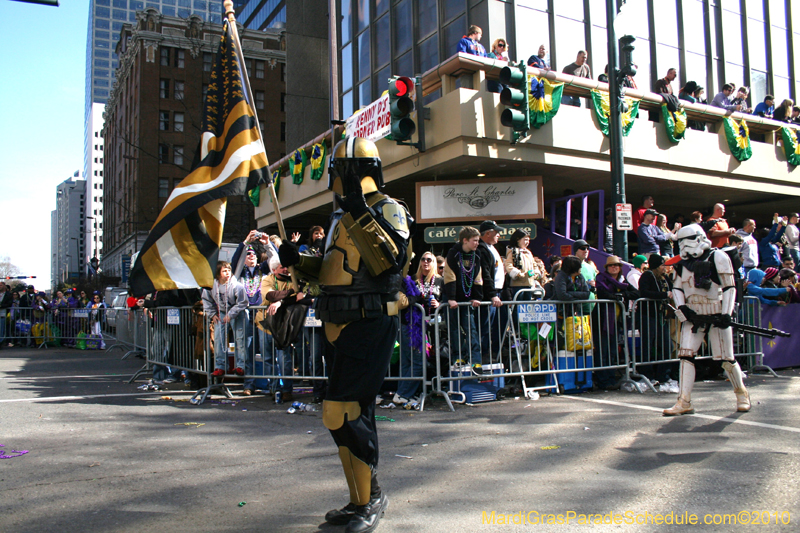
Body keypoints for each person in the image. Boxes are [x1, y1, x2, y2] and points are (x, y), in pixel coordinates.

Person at [278, 136, 412, 532]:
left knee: (341, 412)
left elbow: (391, 264)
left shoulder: (389, 209)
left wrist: (360, 212)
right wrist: (297, 260)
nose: (337, 179)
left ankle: (369, 498)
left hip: (369, 323)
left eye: (342, 171)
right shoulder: (340, 218)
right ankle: (361, 499)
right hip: (338, 324)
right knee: (351, 415)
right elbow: (331, 272)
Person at [664, 224, 751, 416]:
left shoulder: (718, 257)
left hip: (716, 312)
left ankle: (741, 394)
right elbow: (677, 288)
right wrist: (682, 307)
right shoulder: (681, 263)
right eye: (681, 242)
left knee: (726, 359)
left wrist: (726, 313)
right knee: (686, 356)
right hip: (693, 316)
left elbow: (730, 287)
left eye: (686, 241)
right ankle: (684, 401)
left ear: (698, 238)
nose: (684, 246)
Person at [395, 252, 443, 405]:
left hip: (434, 326)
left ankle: (404, 393)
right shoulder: (412, 280)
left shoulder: (440, 280)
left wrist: (440, 304)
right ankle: (403, 393)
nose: (426, 262)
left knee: (416, 361)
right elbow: (402, 300)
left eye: (429, 259)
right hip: (413, 325)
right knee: (413, 361)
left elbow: (447, 298)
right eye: (423, 259)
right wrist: (419, 299)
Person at [257, 256, 305, 403]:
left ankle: (286, 390)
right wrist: (290, 294)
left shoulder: (295, 280)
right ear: (274, 269)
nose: (286, 270)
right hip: (265, 324)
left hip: (285, 326)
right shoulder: (267, 280)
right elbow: (270, 295)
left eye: (287, 267)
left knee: (285, 359)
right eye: (282, 267)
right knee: (268, 358)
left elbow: (302, 295)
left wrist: (280, 302)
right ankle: (274, 388)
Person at [444, 226, 484, 372]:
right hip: (453, 298)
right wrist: (451, 298)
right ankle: (458, 357)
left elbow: (478, 278)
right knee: (455, 329)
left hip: (467, 299)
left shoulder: (477, 255)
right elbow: (449, 276)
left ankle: (476, 361)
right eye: (474, 241)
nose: (477, 243)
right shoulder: (453, 253)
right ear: (465, 240)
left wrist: (476, 297)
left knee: (471, 329)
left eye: (478, 241)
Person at [594, 255, 638, 389]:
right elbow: (602, 293)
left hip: (616, 321)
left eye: (617, 265)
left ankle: (612, 379)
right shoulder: (601, 278)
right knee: (603, 351)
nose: (614, 267)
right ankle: (603, 381)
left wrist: (621, 295)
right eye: (611, 265)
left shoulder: (622, 281)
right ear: (607, 268)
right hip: (603, 320)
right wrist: (617, 296)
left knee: (613, 351)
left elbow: (636, 293)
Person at [202, 261, 248, 379]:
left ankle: (240, 366)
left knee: (240, 338)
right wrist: (212, 314)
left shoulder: (237, 286)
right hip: (221, 312)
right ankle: (220, 366)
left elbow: (243, 302)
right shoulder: (211, 286)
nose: (227, 273)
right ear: (218, 274)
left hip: (237, 311)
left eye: (228, 270)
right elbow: (206, 300)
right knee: (219, 339)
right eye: (224, 271)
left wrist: (231, 314)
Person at [637, 254, 676, 384]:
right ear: (655, 266)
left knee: (666, 345)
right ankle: (647, 375)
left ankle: (663, 375)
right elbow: (644, 292)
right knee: (647, 345)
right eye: (661, 265)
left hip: (661, 315)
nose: (664, 267)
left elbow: (673, 288)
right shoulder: (647, 276)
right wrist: (663, 295)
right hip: (648, 315)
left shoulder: (664, 277)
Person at [476, 220, 505, 360]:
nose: (498, 235)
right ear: (488, 233)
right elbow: (485, 275)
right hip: (489, 295)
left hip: (497, 293)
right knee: (485, 327)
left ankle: (491, 353)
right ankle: (483, 355)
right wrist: (492, 295)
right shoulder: (482, 249)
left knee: (494, 326)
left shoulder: (491, 248)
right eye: (496, 232)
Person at [0, 282, 11, 349]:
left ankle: (0, 342)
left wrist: (1, 306)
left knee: (1, 329)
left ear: (4, 286)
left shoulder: (8, 294)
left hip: (3, 313)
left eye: (1, 285)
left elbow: (9, 303)